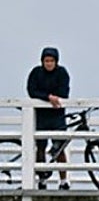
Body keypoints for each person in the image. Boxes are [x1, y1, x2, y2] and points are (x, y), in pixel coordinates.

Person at [26, 46, 70, 190]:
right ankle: (42, 180)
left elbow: (64, 92)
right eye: (46, 61)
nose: (49, 63)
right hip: (41, 115)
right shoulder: (36, 73)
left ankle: (63, 181)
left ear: (56, 61)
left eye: (51, 61)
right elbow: (32, 91)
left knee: (59, 148)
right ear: (42, 61)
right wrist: (48, 97)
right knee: (41, 147)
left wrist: (50, 96)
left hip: (57, 115)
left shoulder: (62, 73)